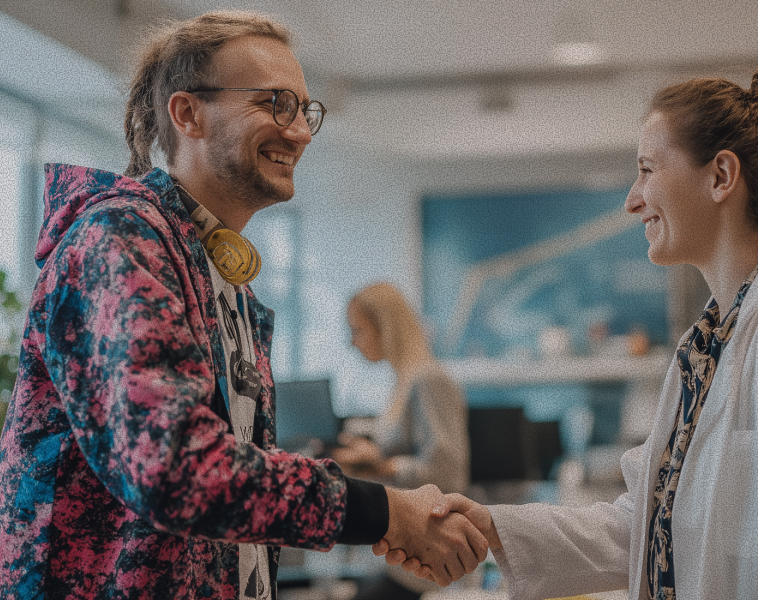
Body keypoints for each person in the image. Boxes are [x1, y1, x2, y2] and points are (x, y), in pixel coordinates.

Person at [0, 10, 487, 600]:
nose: (301, 131)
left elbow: (233, 490)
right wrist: (382, 511)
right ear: (187, 114)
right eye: (275, 103)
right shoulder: (119, 240)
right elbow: (174, 466)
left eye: (305, 110)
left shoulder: (225, 277)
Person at [377, 63, 758, 599]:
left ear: (720, 177)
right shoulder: (709, 344)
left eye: (647, 169)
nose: (632, 199)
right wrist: (492, 527)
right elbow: (641, 527)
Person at [333, 282, 470, 600]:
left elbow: (448, 473)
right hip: (402, 559)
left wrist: (381, 464)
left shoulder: (428, 379)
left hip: (424, 566)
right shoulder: (403, 382)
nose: (353, 342)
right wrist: (368, 459)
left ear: (386, 327)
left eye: (358, 330)